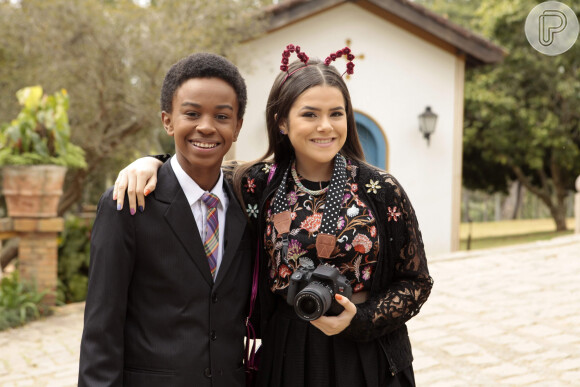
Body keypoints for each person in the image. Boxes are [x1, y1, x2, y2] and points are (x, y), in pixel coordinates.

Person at [114, 44, 433, 387]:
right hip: (287, 354)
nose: (325, 127)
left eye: (336, 114)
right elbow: (196, 166)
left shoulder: (380, 189)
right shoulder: (256, 183)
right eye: (309, 114)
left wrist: (361, 320)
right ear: (282, 121)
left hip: (368, 356)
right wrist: (151, 162)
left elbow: (416, 281)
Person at [78, 52, 254, 387]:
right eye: (191, 113)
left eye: (221, 115)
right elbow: (102, 327)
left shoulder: (247, 205)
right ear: (168, 120)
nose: (206, 126)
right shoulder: (127, 204)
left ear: (237, 126)